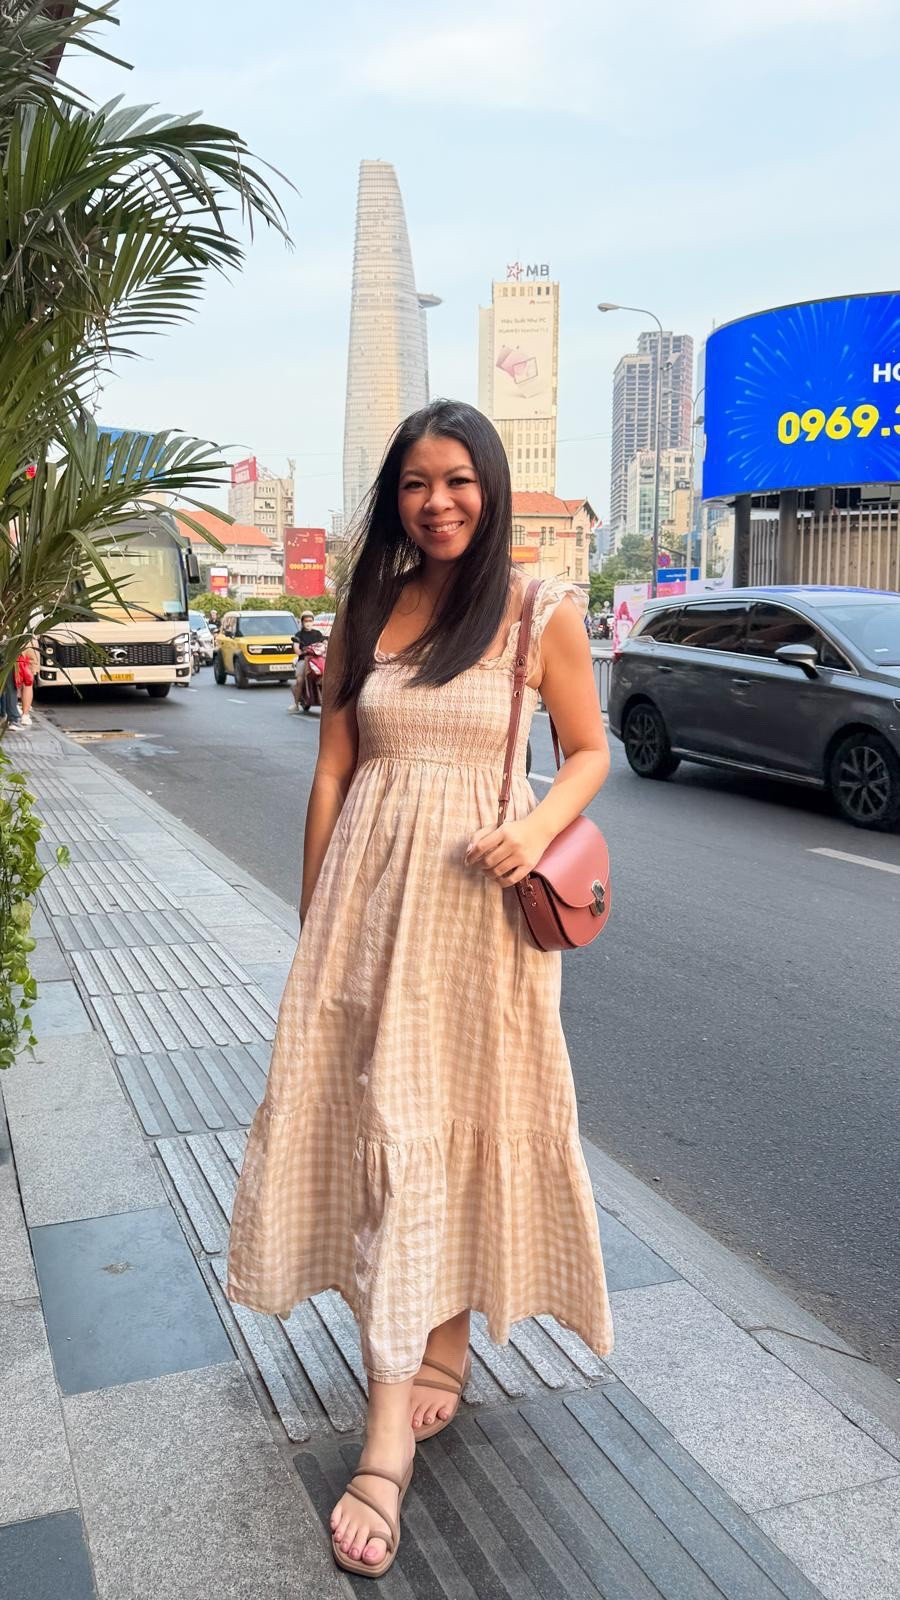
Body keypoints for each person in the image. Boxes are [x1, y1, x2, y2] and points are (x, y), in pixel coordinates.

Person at [226, 399, 613, 1579]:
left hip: (478, 927)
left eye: (457, 481)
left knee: (440, 1138)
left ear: (490, 488)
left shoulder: (538, 609)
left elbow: (591, 749)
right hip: (366, 915)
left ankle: (390, 1429)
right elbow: (336, 767)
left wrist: (533, 820)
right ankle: (420, 1369)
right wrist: (313, 928)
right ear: (394, 496)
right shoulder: (368, 606)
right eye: (414, 484)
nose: (436, 502)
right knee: (389, 1139)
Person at [288, 610, 326, 713]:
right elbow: (296, 648)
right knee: (300, 680)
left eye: (310, 621)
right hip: (304, 660)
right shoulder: (298, 635)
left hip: (317, 659)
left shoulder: (318, 634)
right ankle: (296, 704)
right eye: (306, 621)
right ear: (302, 622)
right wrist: (301, 652)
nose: (308, 623)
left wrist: (325, 647)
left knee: (327, 677)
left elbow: (325, 643)